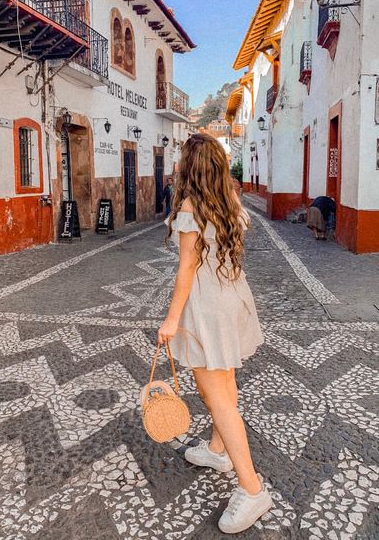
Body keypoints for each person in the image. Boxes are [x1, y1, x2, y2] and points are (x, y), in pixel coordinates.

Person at [158, 133, 272, 534]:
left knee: (219, 398)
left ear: (190, 166)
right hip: (232, 298)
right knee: (220, 386)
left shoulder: (190, 206)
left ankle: (252, 488)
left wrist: (171, 321)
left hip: (207, 308)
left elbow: (185, 271)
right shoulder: (230, 201)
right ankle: (218, 450)